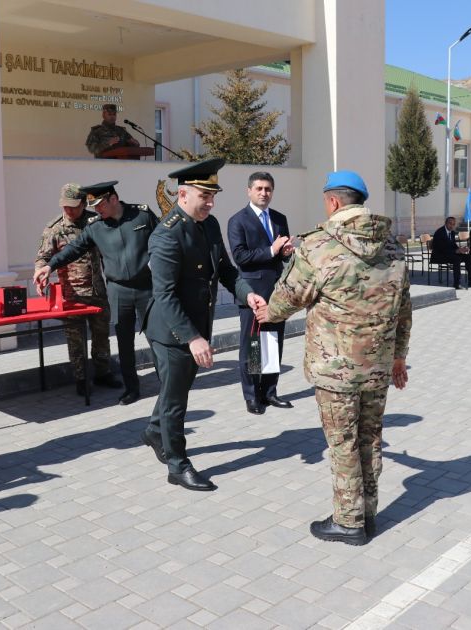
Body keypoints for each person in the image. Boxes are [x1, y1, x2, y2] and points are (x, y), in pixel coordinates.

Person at [256, 170, 411, 546]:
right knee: (370, 438)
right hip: (377, 365)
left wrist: (267, 313)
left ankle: (348, 521)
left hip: (335, 369)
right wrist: (399, 358)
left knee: (342, 443)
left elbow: (288, 297)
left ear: (334, 202)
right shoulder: (392, 247)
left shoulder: (319, 245)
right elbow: (404, 310)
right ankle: (367, 512)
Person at [140, 159, 265, 491]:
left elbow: (225, 270)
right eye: (204, 196)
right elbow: (164, 295)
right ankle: (177, 465)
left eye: (213, 196)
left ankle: (154, 430)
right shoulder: (166, 235)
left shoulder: (208, 225)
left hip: (196, 324)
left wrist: (247, 294)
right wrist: (192, 338)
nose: (210, 203)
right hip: (171, 330)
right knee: (176, 399)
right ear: (183, 194)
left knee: (176, 388)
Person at [34, 181, 157, 405]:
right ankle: (114, 385)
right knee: (111, 341)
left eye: (100, 204)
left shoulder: (135, 216)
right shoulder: (85, 226)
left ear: (113, 199)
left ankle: (163, 382)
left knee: (150, 337)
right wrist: (48, 267)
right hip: (96, 292)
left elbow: (161, 242)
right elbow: (70, 250)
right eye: (94, 205)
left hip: (129, 288)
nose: (97, 209)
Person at [34, 183, 119, 396]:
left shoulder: (96, 221)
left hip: (97, 291)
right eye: (65, 206)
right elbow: (43, 258)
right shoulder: (54, 228)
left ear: (83, 204)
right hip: (72, 295)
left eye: (73, 206)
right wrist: (40, 273)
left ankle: (103, 373)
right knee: (76, 339)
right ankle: (81, 378)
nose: (69, 211)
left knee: (101, 335)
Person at [227, 172, 294, 415]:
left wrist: (285, 252)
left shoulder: (279, 218)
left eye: (268, 189)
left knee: (272, 344)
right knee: (253, 346)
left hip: (276, 293)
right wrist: (271, 250)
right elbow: (240, 257)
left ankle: (269, 392)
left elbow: (281, 256)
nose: (264, 193)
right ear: (249, 191)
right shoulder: (238, 221)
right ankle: (252, 395)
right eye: (259, 188)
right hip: (253, 293)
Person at [432, 216, 471, 289]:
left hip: (450, 254)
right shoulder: (440, 232)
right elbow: (440, 248)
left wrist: (460, 249)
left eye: (453, 224)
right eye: (450, 223)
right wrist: (455, 251)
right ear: (446, 223)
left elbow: (453, 245)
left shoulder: (452, 233)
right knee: (456, 259)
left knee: (468, 257)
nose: (452, 226)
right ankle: (456, 283)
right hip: (439, 255)